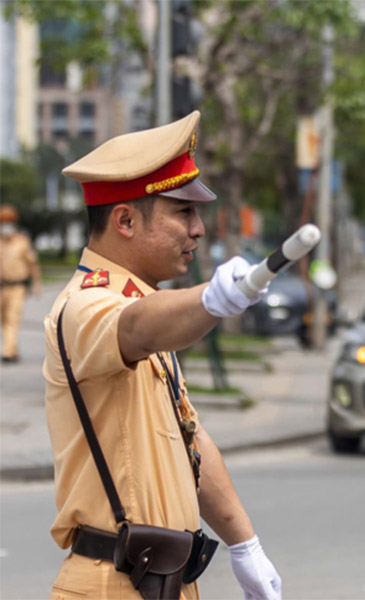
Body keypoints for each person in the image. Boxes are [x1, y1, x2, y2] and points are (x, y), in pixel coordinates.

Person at [44, 111, 282, 599]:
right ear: (125, 220)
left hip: (160, 582)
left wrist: (245, 544)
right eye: (183, 213)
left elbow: (188, 440)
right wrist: (210, 300)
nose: (198, 230)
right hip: (111, 585)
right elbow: (137, 327)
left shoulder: (137, 299)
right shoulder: (85, 305)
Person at [0, 205, 41, 363]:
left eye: (8, 222)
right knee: (4, 319)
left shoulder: (22, 242)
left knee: (12, 318)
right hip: (1, 286)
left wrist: (37, 284)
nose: (6, 226)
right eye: (3, 222)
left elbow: (32, 264)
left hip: (17, 286)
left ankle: (8, 352)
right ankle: (13, 349)